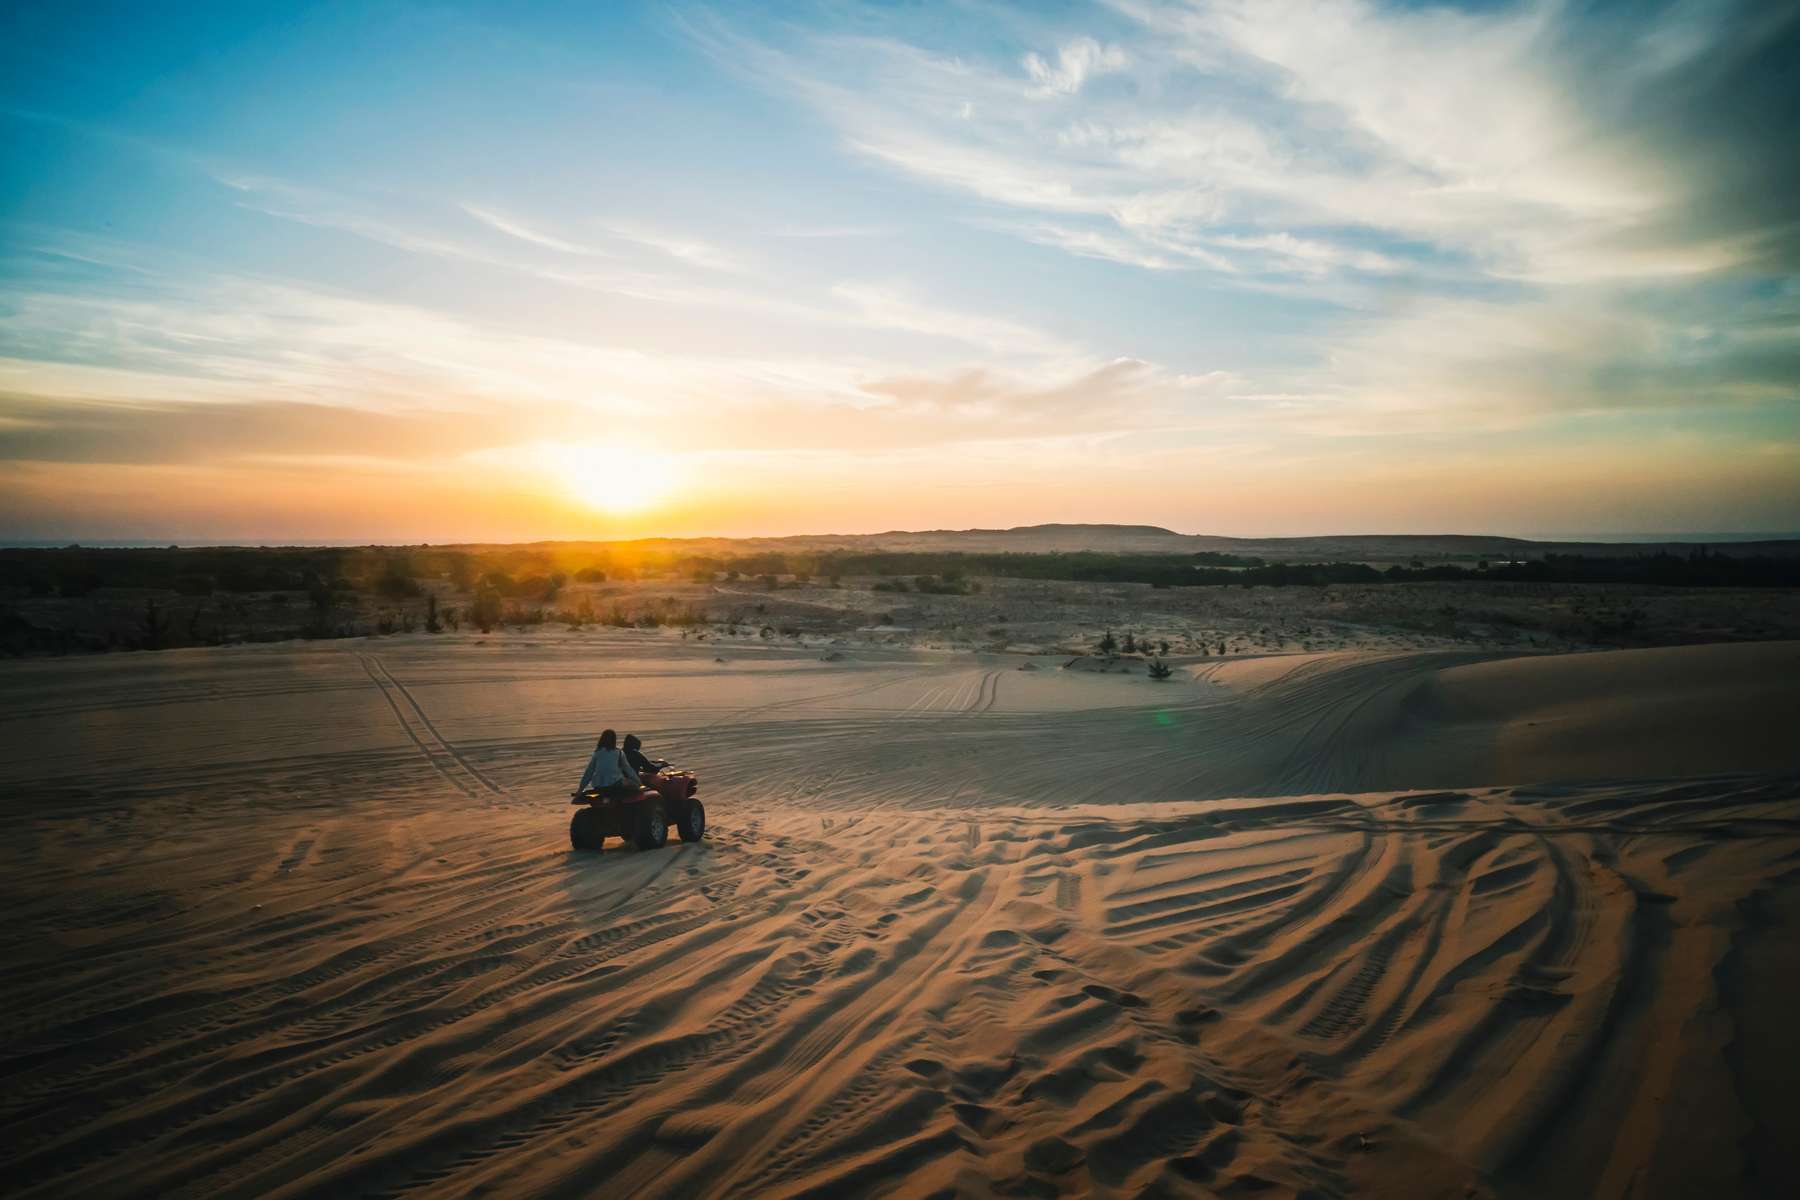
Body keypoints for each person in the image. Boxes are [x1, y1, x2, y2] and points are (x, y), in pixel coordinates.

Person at [576, 729, 639, 800]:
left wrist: (580, 789)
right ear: (614, 740)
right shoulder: (619, 753)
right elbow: (628, 769)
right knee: (635, 785)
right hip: (615, 783)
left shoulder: (597, 753)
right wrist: (638, 781)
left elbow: (589, 772)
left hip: (598, 785)